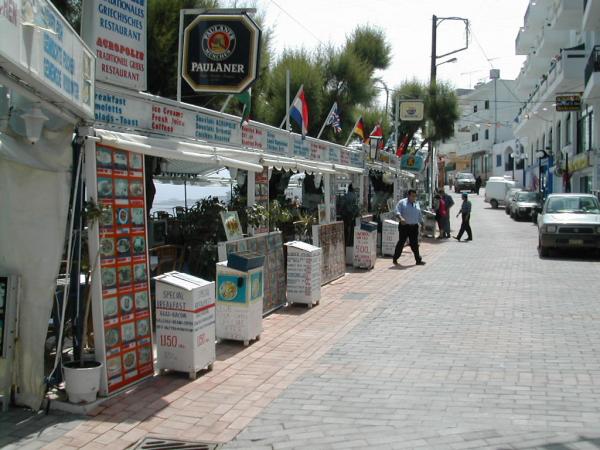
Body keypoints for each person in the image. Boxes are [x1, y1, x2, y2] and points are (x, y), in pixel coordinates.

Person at [392, 189, 425, 266]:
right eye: (412, 196)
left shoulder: (417, 203)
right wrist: (401, 218)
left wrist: (422, 223)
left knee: (414, 243)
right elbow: (396, 211)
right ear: (408, 196)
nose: (414, 198)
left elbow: (419, 215)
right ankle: (395, 258)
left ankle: (418, 260)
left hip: (414, 227)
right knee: (401, 242)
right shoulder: (402, 202)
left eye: (415, 196)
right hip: (404, 226)